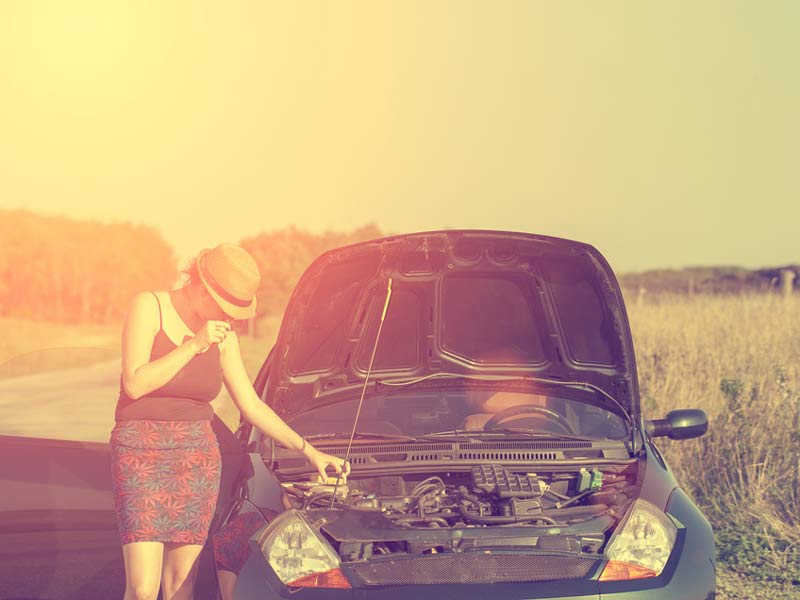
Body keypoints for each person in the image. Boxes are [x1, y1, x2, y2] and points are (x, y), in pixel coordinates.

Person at [109, 243, 350, 600]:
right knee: (143, 588)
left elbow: (252, 405)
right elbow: (135, 382)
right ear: (203, 288)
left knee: (180, 584)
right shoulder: (150, 306)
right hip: (141, 453)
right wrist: (193, 345)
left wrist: (310, 452)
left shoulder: (224, 335)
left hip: (195, 457)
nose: (229, 319)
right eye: (226, 309)